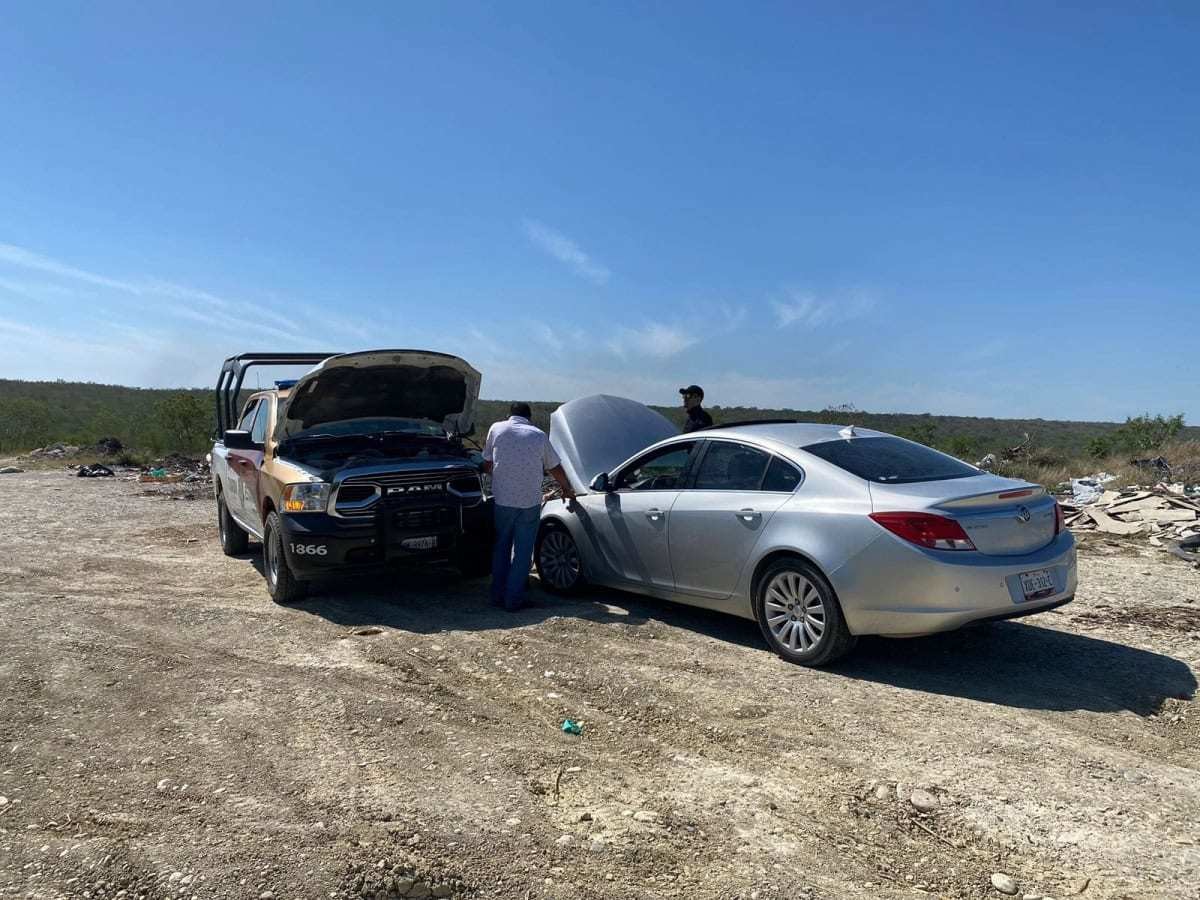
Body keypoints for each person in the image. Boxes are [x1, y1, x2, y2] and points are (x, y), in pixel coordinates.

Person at [480, 402, 576, 610]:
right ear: (529, 418)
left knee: (501, 548)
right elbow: (554, 467)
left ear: (509, 415)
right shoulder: (539, 435)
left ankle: (497, 595)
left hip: (503, 500)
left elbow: (487, 463)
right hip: (529, 502)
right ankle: (513, 599)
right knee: (523, 552)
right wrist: (566, 488)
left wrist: (496, 473)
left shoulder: (497, 428)